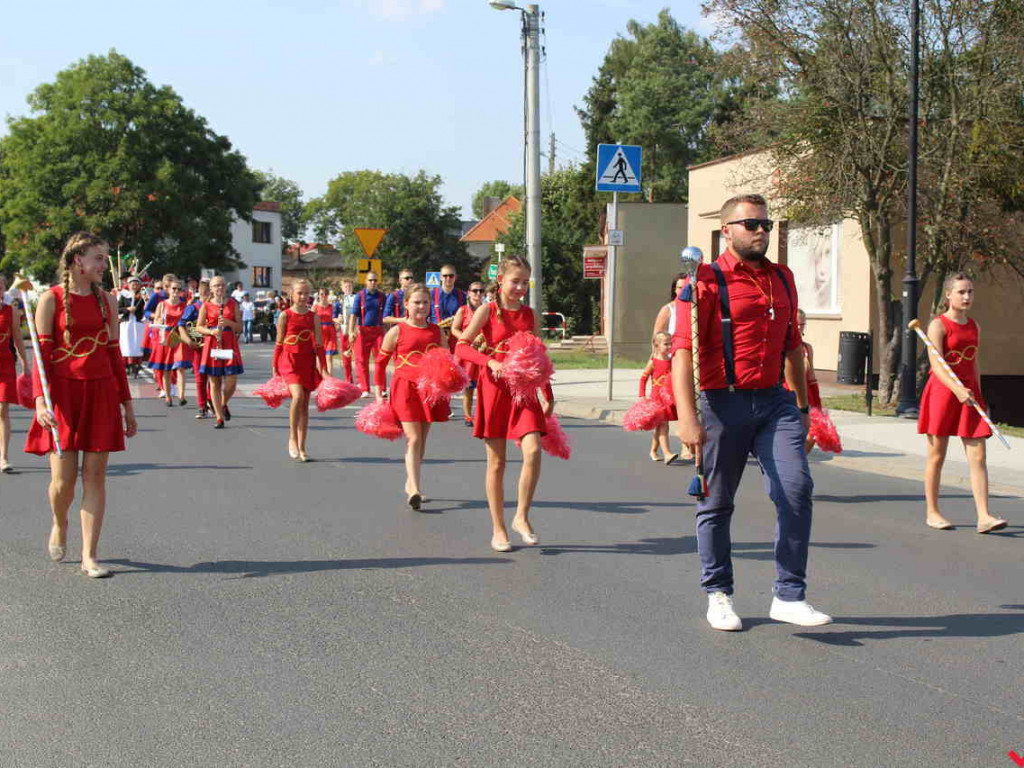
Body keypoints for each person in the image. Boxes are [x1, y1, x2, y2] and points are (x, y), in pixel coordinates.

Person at [671, 193, 831, 631]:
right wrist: (687, 419)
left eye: (766, 224)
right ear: (727, 231)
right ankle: (718, 593)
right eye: (751, 224)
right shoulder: (702, 283)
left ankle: (789, 594)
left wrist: (802, 406)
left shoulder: (783, 277)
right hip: (722, 403)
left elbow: (792, 346)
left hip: (775, 402)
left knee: (796, 491)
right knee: (716, 503)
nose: (761, 231)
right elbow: (681, 356)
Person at [25, 232, 137, 578]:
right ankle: (59, 523)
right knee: (63, 482)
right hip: (63, 395)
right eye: (99, 258)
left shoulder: (108, 302)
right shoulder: (51, 299)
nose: (105, 265)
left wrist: (127, 405)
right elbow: (40, 359)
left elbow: (114, 356)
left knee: (95, 476)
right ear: (79, 261)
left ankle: (90, 555)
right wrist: (40, 402)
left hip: (101, 392)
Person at [455, 255, 555, 552]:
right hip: (494, 390)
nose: (521, 287)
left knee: (533, 450)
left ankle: (521, 517)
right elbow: (462, 345)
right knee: (497, 463)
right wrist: (490, 362)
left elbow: (538, 357)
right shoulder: (488, 310)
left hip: (523, 392)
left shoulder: (530, 315)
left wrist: (547, 393)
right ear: (501, 280)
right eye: (515, 281)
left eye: (526, 282)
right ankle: (498, 529)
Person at [917, 272, 1006, 534]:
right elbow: (937, 364)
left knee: (978, 455)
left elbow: (974, 362)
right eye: (961, 292)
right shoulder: (938, 325)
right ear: (948, 295)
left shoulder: (974, 325)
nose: (967, 296)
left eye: (970, 292)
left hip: (969, 394)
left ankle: (984, 516)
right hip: (943, 394)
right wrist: (956, 390)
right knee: (936, 455)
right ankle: (932, 512)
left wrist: (977, 393)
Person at [375, 283, 449, 509]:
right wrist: (379, 393)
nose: (421, 306)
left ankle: (411, 482)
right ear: (406, 304)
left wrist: (445, 382)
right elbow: (380, 364)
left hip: (428, 390)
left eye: (425, 302)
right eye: (416, 302)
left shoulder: (436, 331)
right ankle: (415, 489)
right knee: (413, 438)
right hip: (404, 388)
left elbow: (447, 361)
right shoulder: (397, 331)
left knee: (422, 439)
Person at [273, 280, 324, 462]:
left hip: (307, 361)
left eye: (306, 293)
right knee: (298, 397)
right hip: (289, 360)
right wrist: (274, 366)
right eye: (299, 293)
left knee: (304, 407)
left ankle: (303, 447)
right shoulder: (285, 315)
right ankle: (292, 437)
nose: (303, 297)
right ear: (292, 295)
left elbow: (319, 345)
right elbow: (279, 342)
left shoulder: (314, 317)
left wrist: (323, 369)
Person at [652, 272, 692, 461]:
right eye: (679, 287)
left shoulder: (695, 308)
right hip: (673, 362)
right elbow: (656, 338)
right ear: (674, 290)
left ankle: (689, 444)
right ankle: (683, 447)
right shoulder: (669, 309)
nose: (683, 290)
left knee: (693, 404)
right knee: (678, 405)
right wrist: (657, 364)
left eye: (686, 286)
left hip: (695, 361)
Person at [197, 276, 244, 429]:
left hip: (229, 344)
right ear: (211, 288)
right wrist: (211, 332)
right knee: (215, 381)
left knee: (231, 381)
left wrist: (228, 323)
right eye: (216, 285)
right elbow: (198, 327)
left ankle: (223, 403)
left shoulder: (232, 304)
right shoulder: (206, 305)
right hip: (214, 344)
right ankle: (218, 417)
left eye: (222, 285)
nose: (219, 288)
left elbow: (239, 327)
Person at [0, 274, 28, 474]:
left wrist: (26, 364)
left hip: (5, 364)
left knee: (3, 409)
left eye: (1, 286)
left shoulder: (11, 311)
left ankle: (4, 457)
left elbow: (18, 339)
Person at [149, 278, 192, 407]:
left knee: (180, 368)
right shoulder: (162, 305)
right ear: (168, 290)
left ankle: (182, 396)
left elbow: (189, 323)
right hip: (166, 337)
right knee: (166, 369)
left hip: (179, 337)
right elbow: (156, 322)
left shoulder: (185, 305)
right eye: (174, 288)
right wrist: (161, 327)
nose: (176, 291)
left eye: (179, 289)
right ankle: (168, 396)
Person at [638, 332, 679, 465]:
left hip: (668, 397)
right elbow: (643, 378)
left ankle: (653, 451)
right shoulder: (653, 362)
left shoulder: (671, 360)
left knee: (659, 426)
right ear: (656, 345)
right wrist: (642, 396)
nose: (669, 346)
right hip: (656, 398)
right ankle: (667, 454)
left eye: (670, 343)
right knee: (664, 425)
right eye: (665, 344)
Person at [450, 280, 485, 427]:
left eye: (481, 291)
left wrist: (484, 341)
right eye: (475, 290)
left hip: (484, 353)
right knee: (469, 388)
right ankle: (468, 416)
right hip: (468, 354)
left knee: (484, 388)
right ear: (469, 293)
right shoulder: (463, 310)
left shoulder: (488, 309)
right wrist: (467, 339)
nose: (478, 294)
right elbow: (454, 329)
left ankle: (482, 416)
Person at [347, 272, 386, 395]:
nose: (373, 282)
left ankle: (381, 387)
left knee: (381, 359)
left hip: (378, 330)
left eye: (375, 280)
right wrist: (350, 331)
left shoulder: (382, 296)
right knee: (361, 360)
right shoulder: (360, 296)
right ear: (365, 281)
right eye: (370, 280)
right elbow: (354, 314)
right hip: (363, 330)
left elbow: (386, 315)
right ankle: (365, 388)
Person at [181, 277, 212, 418]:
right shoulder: (193, 307)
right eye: (204, 291)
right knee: (200, 378)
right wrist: (189, 340)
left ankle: (212, 402)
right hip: (198, 346)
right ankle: (202, 406)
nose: (206, 294)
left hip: (212, 346)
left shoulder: (216, 307)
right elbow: (181, 325)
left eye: (208, 291)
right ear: (199, 291)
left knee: (215, 376)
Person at [143, 274, 174, 397]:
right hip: (158, 332)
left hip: (173, 332)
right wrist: (156, 316)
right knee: (159, 360)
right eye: (167, 286)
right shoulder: (157, 296)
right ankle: (162, 386)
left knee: (174, 360)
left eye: (173, 286)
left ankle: (173, 385)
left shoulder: (179, 298)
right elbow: (146, 312)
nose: (171, 289)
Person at [429, 264, 466, 350]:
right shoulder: (432, 294)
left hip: (454, 337)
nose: (448, 278)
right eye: (445, 276)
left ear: (455, 277)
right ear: (440, 277)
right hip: (435, 335)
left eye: (451, 276)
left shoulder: (462, 295)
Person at [117, 276, 145, 378]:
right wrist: (128, 309)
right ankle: (127, 365)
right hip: (126, 324)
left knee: (137, 343)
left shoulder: (141, 297)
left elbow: (145, 310)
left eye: (136, 283)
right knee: (126, 344)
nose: (134, 285)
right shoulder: (124, 295)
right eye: (132, 283)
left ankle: (136, 365)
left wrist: (140, 307)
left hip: (137, 323)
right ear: (128, 285)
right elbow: (118, 308)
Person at [313, 287, 338, 375]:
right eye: (321, 294)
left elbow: (334, 318)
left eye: (325, 294)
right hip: (319, 332)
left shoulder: (331, 306)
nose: (323, 296)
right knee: (319, 356)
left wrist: (338, 321)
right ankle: (320, 376)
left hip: (330, 331)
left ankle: (330, 377)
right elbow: (311, 320)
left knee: (329, 357)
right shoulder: (315, 307)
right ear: (319, 295)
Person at [335, 279, 356, 383]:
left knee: (359, 357)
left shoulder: (356, 298)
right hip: (345, 332)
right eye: (346, 287)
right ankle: (348, 379)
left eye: (350, 286)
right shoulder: (339, 301)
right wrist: (337, 319)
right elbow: (333, 316)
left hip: (356, 331)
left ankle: (361, 381)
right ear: (342, 288)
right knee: (346, 357)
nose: (348, 288)